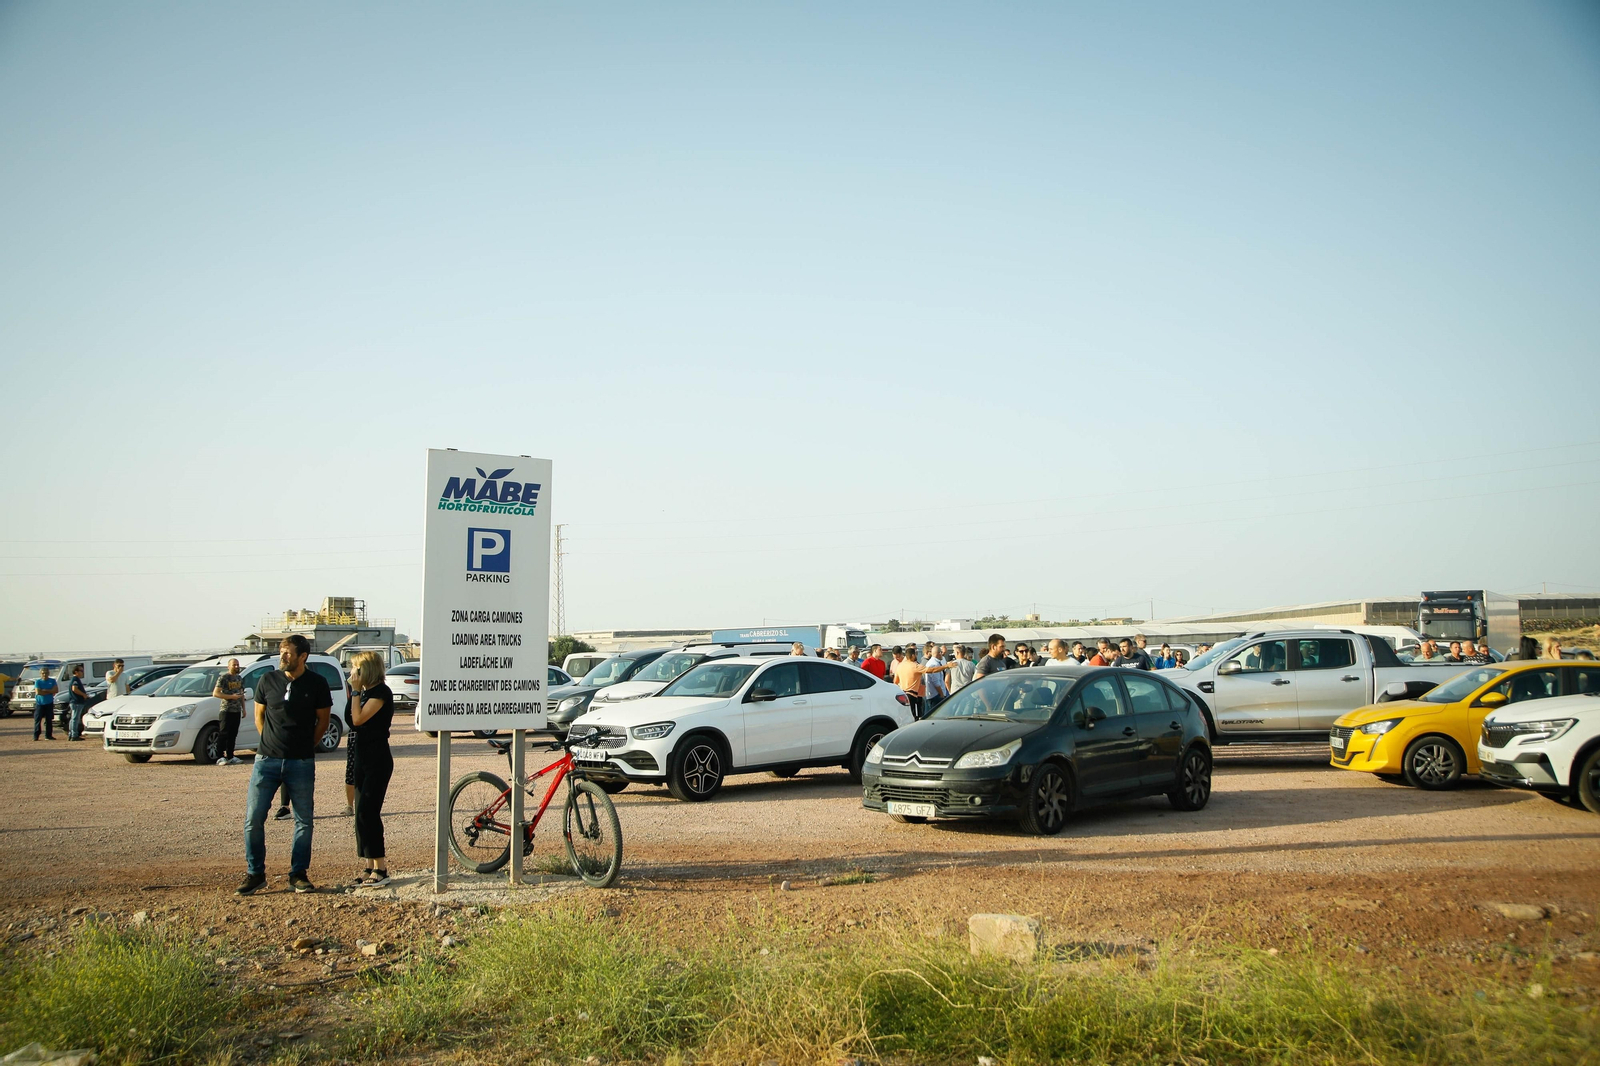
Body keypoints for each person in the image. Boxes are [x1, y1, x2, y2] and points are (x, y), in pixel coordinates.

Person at [239, 635, 332, 896]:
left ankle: (298, 874)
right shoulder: (268, 680)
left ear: (303, 656)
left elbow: (322, 722)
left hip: (301, 762)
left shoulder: (317, 683)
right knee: (253, 818)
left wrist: (305, 747)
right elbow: (259, 715)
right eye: (281, 651)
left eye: (288, 652)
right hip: (266, 760)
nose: (283, 656)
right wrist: (270, 743)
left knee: (304, 820)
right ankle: (255, 874)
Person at [346, 651, 394, 887]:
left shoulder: (381, 692)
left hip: (377, 759)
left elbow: (358, 719)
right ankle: (368, 864)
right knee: (359, 814)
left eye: (358, 669)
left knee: (368, 811)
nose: (354, 674)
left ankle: (381, 868)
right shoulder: (363, 693)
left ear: (369, 670)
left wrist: (355, 691)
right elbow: (350, 717)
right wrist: (354, 691)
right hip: (360, 757)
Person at [892, 647, 953, 720]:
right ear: (912, 656)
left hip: (903, 695)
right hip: (912, 695)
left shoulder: (900, 666)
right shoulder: (915, 666)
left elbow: (895, 682)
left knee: (905, 717)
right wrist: (946, 666)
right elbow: (932, 670)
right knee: (914, 717)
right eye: (916, 654)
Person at [213, 658, 247, 765]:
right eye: (234, 665)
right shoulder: (224, 678)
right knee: (224, 733)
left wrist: (243, 708)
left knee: (233, 734)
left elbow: (241, 694)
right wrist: (231, 696)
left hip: (236, 710)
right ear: (229, 666)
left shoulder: (239, 678)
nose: (236, 667)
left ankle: (230, 756)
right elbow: (216, 693)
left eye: (237, 665)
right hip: (226, 709)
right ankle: (220, 757)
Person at [33, 666, 58, 741]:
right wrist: (49, 691)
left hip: (49, 703)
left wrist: (45, 690)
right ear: (40, 674)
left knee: (49, 720)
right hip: (40, 704)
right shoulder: (38, 682)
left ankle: (48, 735)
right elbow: (38, 692)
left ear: (49, 673)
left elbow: (56, 690)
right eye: (43, 673)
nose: (45, 674)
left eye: (46, 673)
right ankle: (36, 735)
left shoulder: (52, 681)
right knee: (38, 720)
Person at [66, 665, 89, 741]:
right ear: (76, 672)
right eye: (81, 671)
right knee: (75, 718)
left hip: (75, 702)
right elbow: (74, 689)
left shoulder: (76, 679)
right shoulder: (75, 679)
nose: (82, 673)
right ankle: (74, 735)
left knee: (73, 718)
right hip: (77, 702)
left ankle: (71, 734)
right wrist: (83, 695)